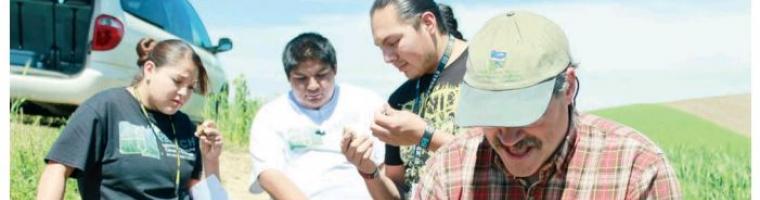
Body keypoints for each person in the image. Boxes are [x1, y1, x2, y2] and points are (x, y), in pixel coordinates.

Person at [414, 11, 682, 199]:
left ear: (568, 88)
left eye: (522, 113)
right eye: (492, 113)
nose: (508, 137)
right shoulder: (449, 170)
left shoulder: (636, 171)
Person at [37, 38, 224, 199]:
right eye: (177, 81)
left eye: (191, 87)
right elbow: (57, 170)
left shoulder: (185, 127)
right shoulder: (105, 109)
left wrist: (211, 161)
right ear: (150, 70)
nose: (184, 93)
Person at [341, 0, 469, 199]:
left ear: (428, 23)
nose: (387, 57)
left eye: (392, 43)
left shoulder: (485, 72)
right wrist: (369, 170)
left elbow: (505, 160)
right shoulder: (399, 100)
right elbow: (398, 192)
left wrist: (425, 137)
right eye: (381, 47)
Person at [248, 32, 386, 199]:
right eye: (301, 79)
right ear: (288, 77)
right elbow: (268, 174)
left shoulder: (367, 103)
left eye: (321, 75)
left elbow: (385, 168)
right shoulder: (271, 115)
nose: (312, 86)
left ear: (335, 69)